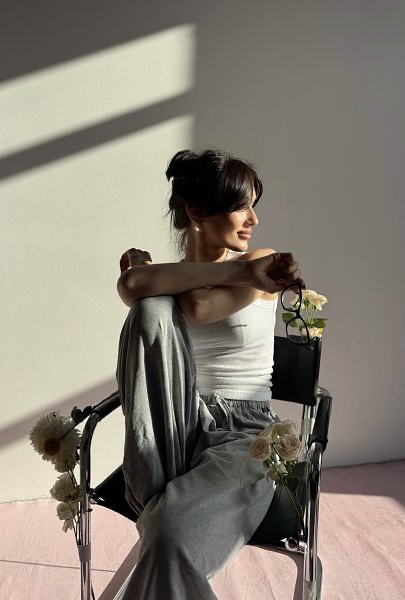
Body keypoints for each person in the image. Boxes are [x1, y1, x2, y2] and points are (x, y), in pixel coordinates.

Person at [115, 149, 303, 600]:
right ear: (197, 212)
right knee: (149, 312)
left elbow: (200, 306)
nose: (253, 219)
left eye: (255, 205)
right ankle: (163, 506)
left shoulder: (264, 259)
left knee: (168, 534)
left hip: (245, 433)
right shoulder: (245, 270)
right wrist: (242, 272)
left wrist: (152, 274)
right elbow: (131, 287)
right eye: (241, 206)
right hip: (174, 425)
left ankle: (164, 517)